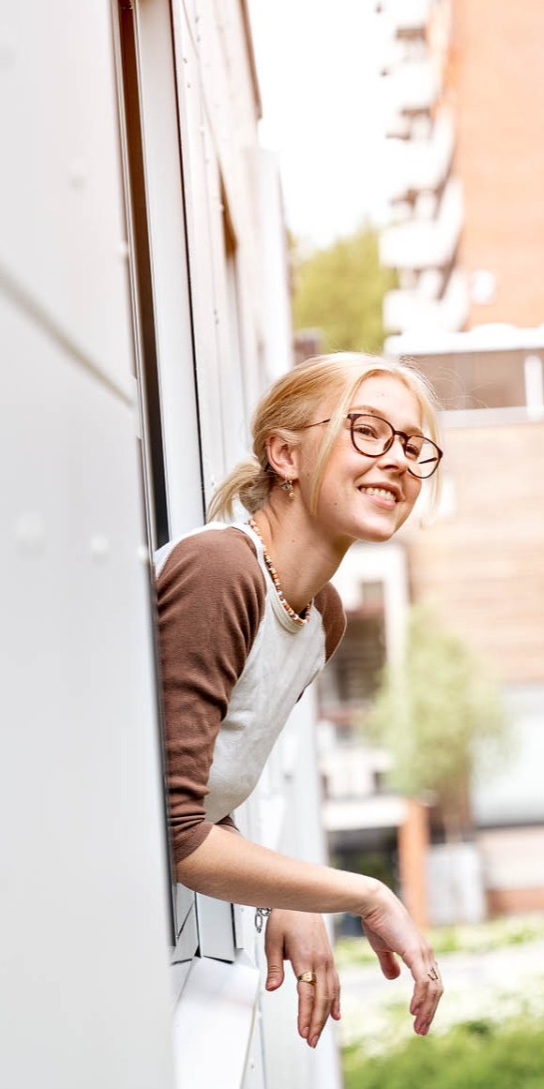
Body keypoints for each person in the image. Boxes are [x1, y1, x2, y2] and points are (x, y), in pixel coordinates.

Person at [155, 352, 445, 1049]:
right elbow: (170, 830)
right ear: (284, 453)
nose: (397, 460)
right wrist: (361, 892)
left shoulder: (320, 617)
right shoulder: (221, 572)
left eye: (411, 445)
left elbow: (198, 804)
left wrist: (282, 888)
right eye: (368, 431)